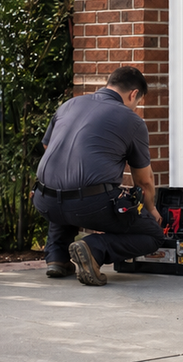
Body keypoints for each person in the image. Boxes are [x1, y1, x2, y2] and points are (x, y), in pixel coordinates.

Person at [34, 66, 165, 286]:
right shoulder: (132, 121)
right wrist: (150, 209)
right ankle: (94, 249)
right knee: (153, 235)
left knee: (66, 190)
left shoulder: (70, 105)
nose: (135, 107)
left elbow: (48, 146)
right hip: (88, 205)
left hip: (43, 199)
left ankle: (56, 258)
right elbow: (143, 180)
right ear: (133, 94)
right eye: (137, 102)